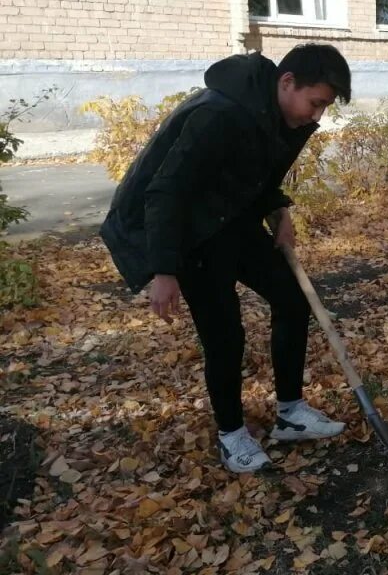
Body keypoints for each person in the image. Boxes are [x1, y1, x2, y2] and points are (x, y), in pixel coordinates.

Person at [100, 44, 352, 474]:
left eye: (324, 107)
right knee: (224, 336)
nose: (317, 116)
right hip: (192, 234)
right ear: (287, 82)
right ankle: (232, 435)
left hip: (232, 220)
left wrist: (280, 210)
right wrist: (164, 269)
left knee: (293, 301)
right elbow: (166, 190)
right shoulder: (218, 114)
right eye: (316, 103)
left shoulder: (286, 116)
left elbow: (258, 172)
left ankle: (290, 413)